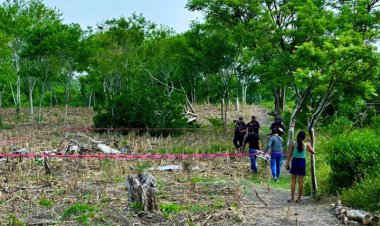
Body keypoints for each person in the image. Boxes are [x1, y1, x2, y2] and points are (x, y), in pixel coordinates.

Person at [285, 131, 315, 203]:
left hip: (295, 162)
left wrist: (287, 163)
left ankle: (292, 198)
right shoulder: (306, 144)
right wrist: (309, 144)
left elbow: (290, 154)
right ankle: (299, 199)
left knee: (293, 181)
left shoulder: (293, 143)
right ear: (304, 138)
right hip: (302, 162)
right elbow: (313, 152)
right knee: (300, 181)